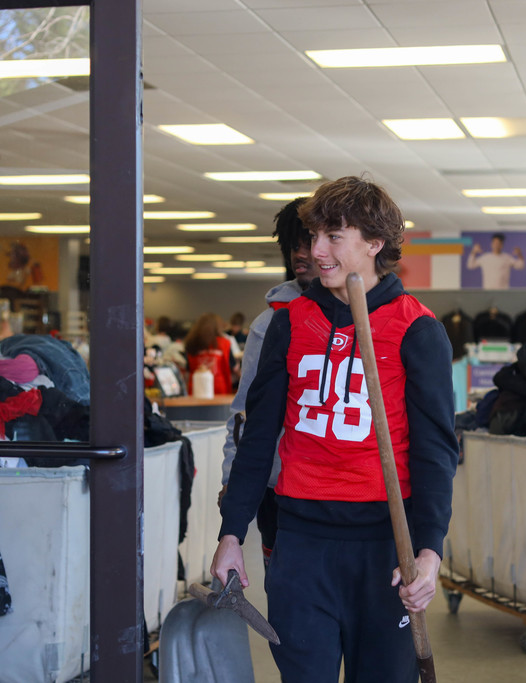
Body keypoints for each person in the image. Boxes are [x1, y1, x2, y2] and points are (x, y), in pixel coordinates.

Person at [211, 176, 459, 682]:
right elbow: (258, 436)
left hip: (387, 548)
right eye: (314, 236)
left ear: (374, 244)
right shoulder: (291, 322)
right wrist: (232, 532)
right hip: (301, 545)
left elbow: (436, 452)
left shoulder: (417, 329)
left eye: (333, 237)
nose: (316, 251)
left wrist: (430, 552)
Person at [219, 197, 318, 569]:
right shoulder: (270, 323)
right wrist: (233, 483)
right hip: (279, 491)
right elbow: (244, 415)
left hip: (350, 496)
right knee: (286, 600)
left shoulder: (371, 318)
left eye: (308, 242)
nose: (300, 254)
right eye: (293, 245)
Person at [183, 313, 233, 395]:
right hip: (219, 387)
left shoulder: (191, 343)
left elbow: (188, 370)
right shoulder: (224, 343)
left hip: (196, 386)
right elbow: (231, 366)